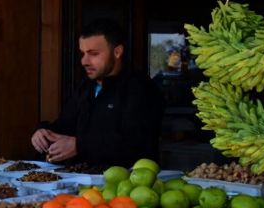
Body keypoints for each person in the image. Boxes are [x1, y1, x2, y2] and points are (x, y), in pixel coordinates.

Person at [32, 19, 165, 169]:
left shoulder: (141, 89)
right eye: (82, 54)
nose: (84, 61)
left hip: (127, 185)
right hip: (81, 181)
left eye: (93, 54)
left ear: (117, 52)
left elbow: (136, 143)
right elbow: (66, 125)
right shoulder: (85, 87)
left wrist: (80, 146)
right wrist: (44, 133)